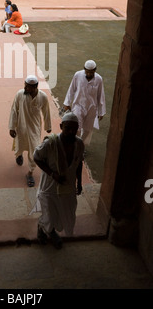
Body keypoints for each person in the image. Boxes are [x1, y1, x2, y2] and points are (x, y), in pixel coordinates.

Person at [31, 112, 84, 249]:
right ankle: (46, 231)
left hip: (68, 186)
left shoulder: (79, 144)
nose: (71, 132)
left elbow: (78, 163)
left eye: (75, 128)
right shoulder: (50, 143)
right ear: (61, 126)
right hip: (49, 186)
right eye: (68, 128)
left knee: (65, 211)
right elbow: (36, 157)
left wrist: (79, 182)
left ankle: (48, 229)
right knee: (49, 212)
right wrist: (52, 174)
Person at [9, 75, 52, 187]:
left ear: (35, 87)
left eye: (28, 87)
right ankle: (19, 155)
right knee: (20, 144)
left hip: (34, 129)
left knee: (34, 150)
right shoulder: (19, 94)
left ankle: (30, 173)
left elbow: (46, 112)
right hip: (21, 126)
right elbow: (14, 110)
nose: (26, 88)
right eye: (25, 86)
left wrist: (48, 126)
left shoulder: (43, 97)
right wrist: (12, 127)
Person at [63, 60, 106, 148]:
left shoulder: (99, 79)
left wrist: (101, 112)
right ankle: (73, 145)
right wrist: (67, 103)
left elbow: (100, 95)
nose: (89, 74)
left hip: (91, 108)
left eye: (91, 72)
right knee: (77, 128)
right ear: (84, 69)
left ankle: (81, 146)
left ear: (95, 70)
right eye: (87, 71)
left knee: (87, 130)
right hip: (78, 105)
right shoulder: (78, 75)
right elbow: (71, 89)